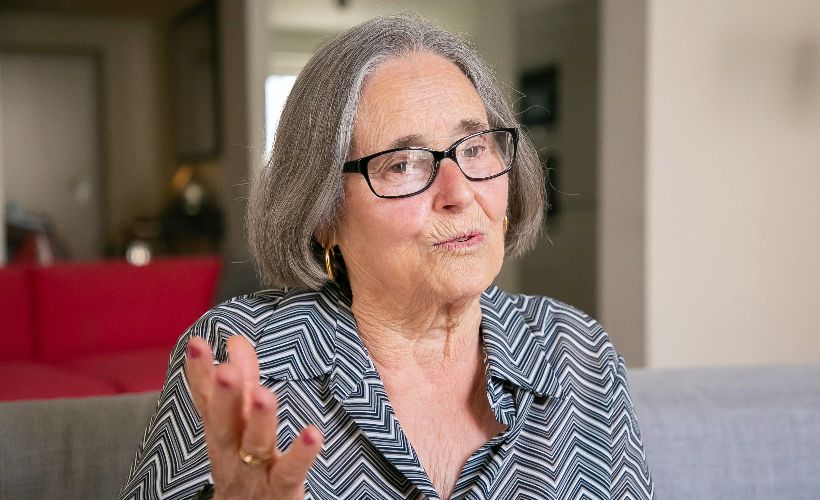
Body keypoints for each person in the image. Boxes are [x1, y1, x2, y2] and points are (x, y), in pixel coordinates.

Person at [120, 14, 653, 500]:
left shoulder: (577, 354)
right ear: (324, 212)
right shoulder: (247, 360)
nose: (459, 191)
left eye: (474, 149)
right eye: (403, 165)